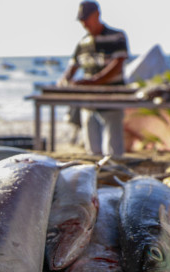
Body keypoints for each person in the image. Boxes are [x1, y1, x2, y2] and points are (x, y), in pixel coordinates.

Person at [58, 1, 130, 157]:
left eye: (87, 18)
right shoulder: (82, 43)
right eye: (81, 20)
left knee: (113, 150)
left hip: (112, 99)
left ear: (97, 15)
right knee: (92, 149)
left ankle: (114, 178)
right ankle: (98, 178)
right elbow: (72, 67)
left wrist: (93, 81)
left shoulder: (117, 37)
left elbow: (117, 65)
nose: (84, 24)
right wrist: (64, 82)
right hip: (88, 102)